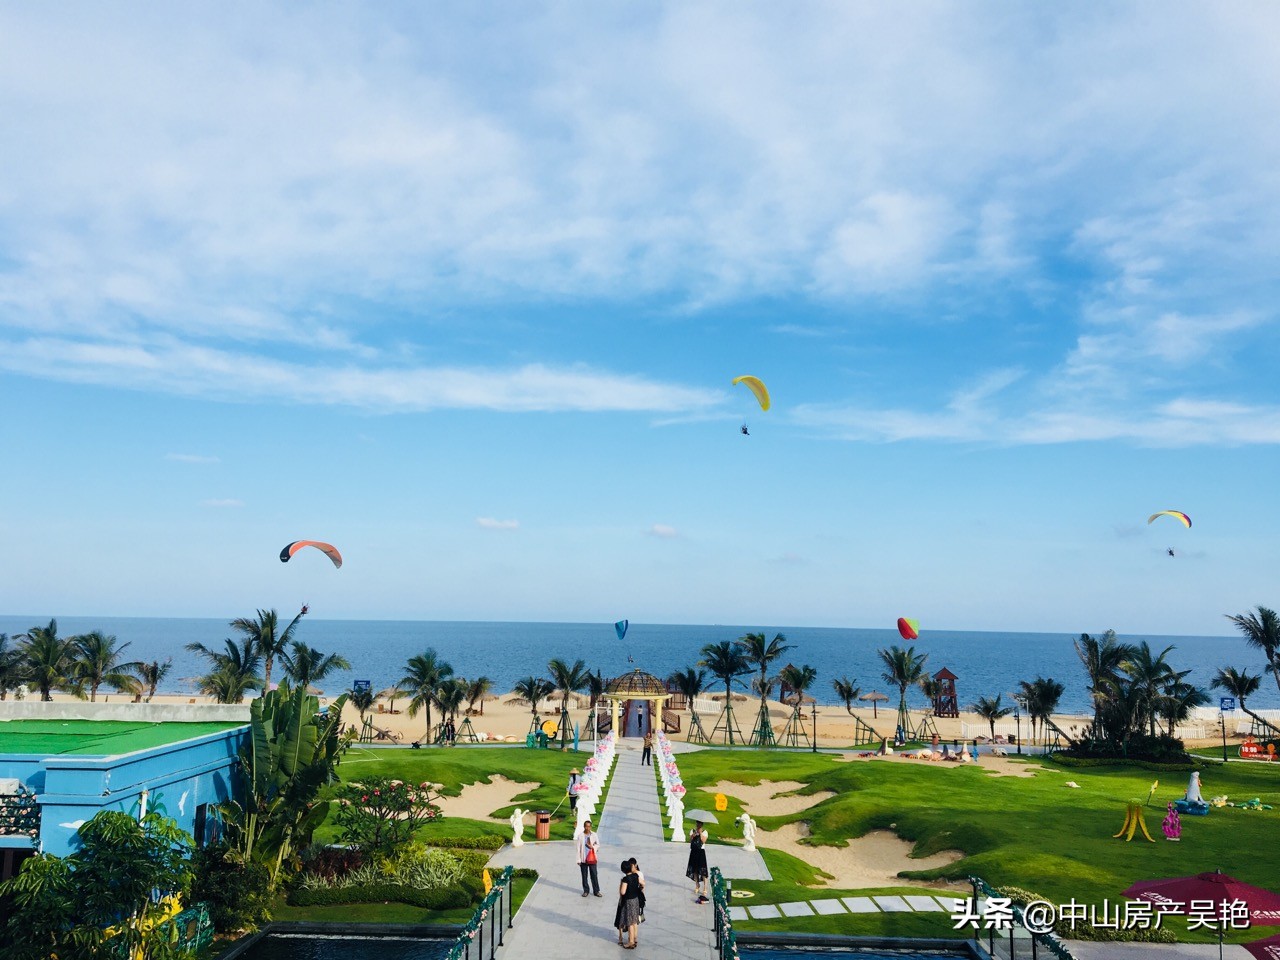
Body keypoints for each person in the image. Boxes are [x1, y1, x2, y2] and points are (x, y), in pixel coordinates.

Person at [614, 859, 642, 948]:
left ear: (623, 870)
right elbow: (643, 883)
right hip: (636, 900)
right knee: (634, 921)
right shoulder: (636, 875)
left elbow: (622, 892)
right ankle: (634, 939)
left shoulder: (626, 879)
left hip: (629, 902)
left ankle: (631, 942)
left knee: (629, 922)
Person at [576, 819, 601, 897]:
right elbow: (578, 849)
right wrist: (578, 859)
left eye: (589, 826)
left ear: (590, 827)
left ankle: (596, 891)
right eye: (586, 826)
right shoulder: (580, 836)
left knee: (594, 875)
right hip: (584, 859)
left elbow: (598, 845)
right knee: (584, 876)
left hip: (592, 858)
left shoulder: (594, 835)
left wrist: (592, 847)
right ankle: (586, 890)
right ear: (584, 827)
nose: (588, 828)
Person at [687, 820, 709, 903]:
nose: (698, 825)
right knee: (695, 870)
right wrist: (694, 834)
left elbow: (703, 841)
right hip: (694, 852)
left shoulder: (705, 832)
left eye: (700, 824)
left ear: (702, 825)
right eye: (697, 823)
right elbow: (690, 840)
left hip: (701, 852)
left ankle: (705, 888)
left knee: (703, 870)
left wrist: (700, 834)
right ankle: (697, 885)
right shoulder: (692, 831)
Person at [628, 857, 646, 923]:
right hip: (630, 897)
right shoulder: (628, 874)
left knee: (634, 920)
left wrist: (642, 897)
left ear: (635, 865)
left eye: (631, 866)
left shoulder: (639, 874)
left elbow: (643, 885)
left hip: (636, 897)